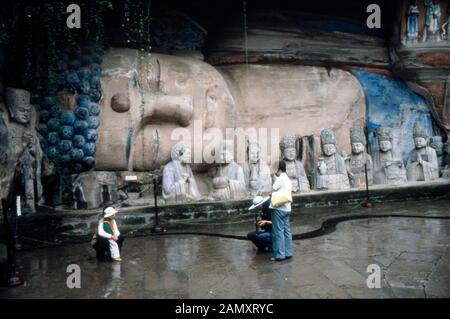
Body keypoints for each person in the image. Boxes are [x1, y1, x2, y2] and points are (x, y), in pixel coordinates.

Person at [269, 161, 293, 262]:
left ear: (279, 169)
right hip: (287, 208)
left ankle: (279, 255)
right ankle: (288, 252)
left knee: (278, 231)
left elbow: (272, 191)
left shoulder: (279, 179)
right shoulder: (288, 179)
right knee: (287, 231)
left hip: (278, 208)